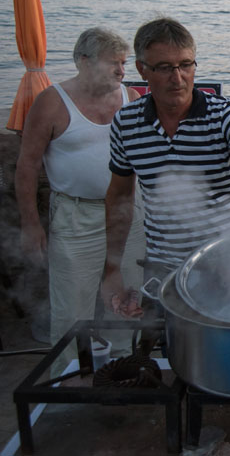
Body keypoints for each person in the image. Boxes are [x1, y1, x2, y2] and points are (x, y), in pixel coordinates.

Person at [101, 17, 230, 317]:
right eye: (165, 67)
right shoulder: (126, 123)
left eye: (186, 65)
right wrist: (112, 267)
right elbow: (119, 198)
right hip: (164, 268)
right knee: (176, 350)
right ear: (142, 70)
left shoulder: (225, 115)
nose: (178, 77)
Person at [15, 27, 146, 375]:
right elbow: (26, 166)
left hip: (129, 211)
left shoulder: (131, 97)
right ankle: (70, 379)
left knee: (130, 296)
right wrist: (30, 224)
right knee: (74, 306)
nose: (122, 71)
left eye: (124, 62)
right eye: (113, 63)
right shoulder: (52, 102)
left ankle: (124, 369)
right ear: (83, 61)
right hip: (76, 216)